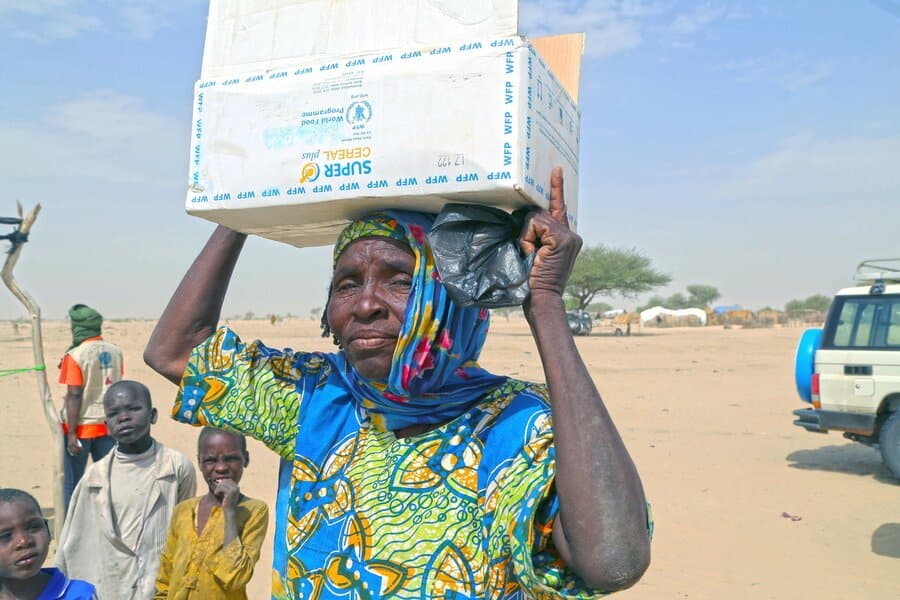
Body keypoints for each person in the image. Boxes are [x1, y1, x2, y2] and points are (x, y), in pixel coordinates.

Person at [145, 168, 652, 599]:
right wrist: (241, 207)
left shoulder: (517, 423)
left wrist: (543, 300)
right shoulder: (318, 396)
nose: (364, 304)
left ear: (451, 297)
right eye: (346, 284)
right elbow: (173, 350)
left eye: (401, 280)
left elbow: (614, 562)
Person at [55, 381, 196, 600]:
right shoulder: (94, 479)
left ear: (153, 415)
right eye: (114, 413)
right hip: (112, 588)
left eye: (133, 409)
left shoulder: (177, 468)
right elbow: (74, 542)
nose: (123, 417)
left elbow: (186, 534)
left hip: (160, 588)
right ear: (106, 424)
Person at [155, 428, 269, 599]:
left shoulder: (254, 511)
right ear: (199, 462)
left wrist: (229, 511)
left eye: (231, 459)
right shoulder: (183, 511)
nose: (221, 467)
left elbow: (234, 577)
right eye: (210, 460)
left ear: (246, 459)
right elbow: (165, 577)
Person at [57, 304, 124, 511]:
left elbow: (74, 394)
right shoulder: (115, 352)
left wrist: (71, 435)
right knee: (108, 481)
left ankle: (72, 528)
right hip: (109, 426)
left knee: (73, 484)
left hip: (82, 429)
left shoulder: (75, 356)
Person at [0, 488, 96, 599]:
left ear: (47, 529)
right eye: (5, 536)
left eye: (33, 527)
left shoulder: (79, 595)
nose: (24, 541)